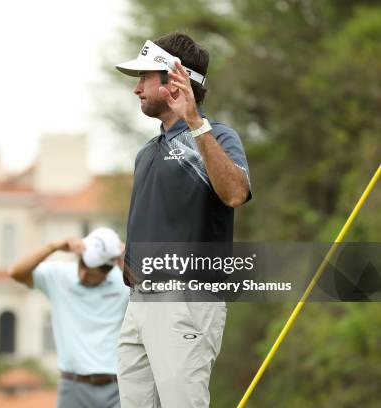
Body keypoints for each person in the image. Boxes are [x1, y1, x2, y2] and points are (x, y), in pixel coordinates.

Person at [114, 32, 252, 407]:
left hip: (187, 300)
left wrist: (195, 123)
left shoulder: (218, 136)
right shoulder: (146, 153)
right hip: (139, 305)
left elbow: (236, 193)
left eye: (144, 77)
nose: (136, 89)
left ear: (174, 79)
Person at [8, 227, 130, 408]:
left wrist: (129, 258)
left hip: (118, 386)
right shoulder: (59, 275)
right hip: (73, 385)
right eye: (81, 266)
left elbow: (154, 295)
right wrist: (53, 246)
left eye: (90, 275)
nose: (82, 275)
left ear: (107, 270)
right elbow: (16, 273)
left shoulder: (124, 283)